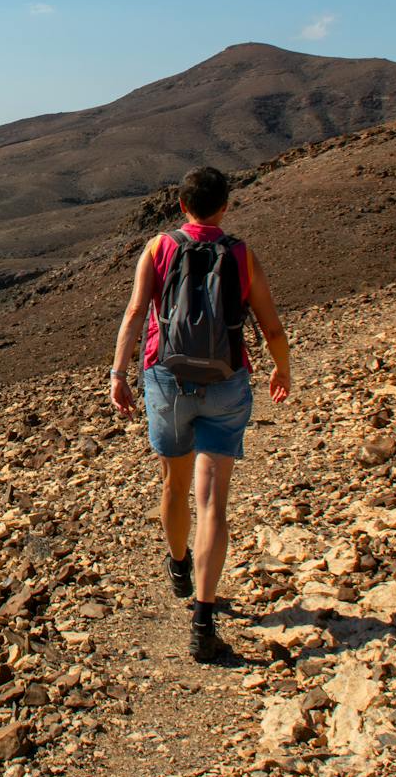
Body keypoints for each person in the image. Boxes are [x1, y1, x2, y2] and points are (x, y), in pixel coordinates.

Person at [108, 165, 290, 661]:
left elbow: (134, 313)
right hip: (227, 383)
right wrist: (282, 370)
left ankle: (178, 563)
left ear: (182, 206)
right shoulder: (241, 254)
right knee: (213, 502)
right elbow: (270, 325)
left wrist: (118, 375)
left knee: (174, 483)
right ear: (224, 206)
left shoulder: (159, 247)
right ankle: (204, 621)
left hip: (166, 379)